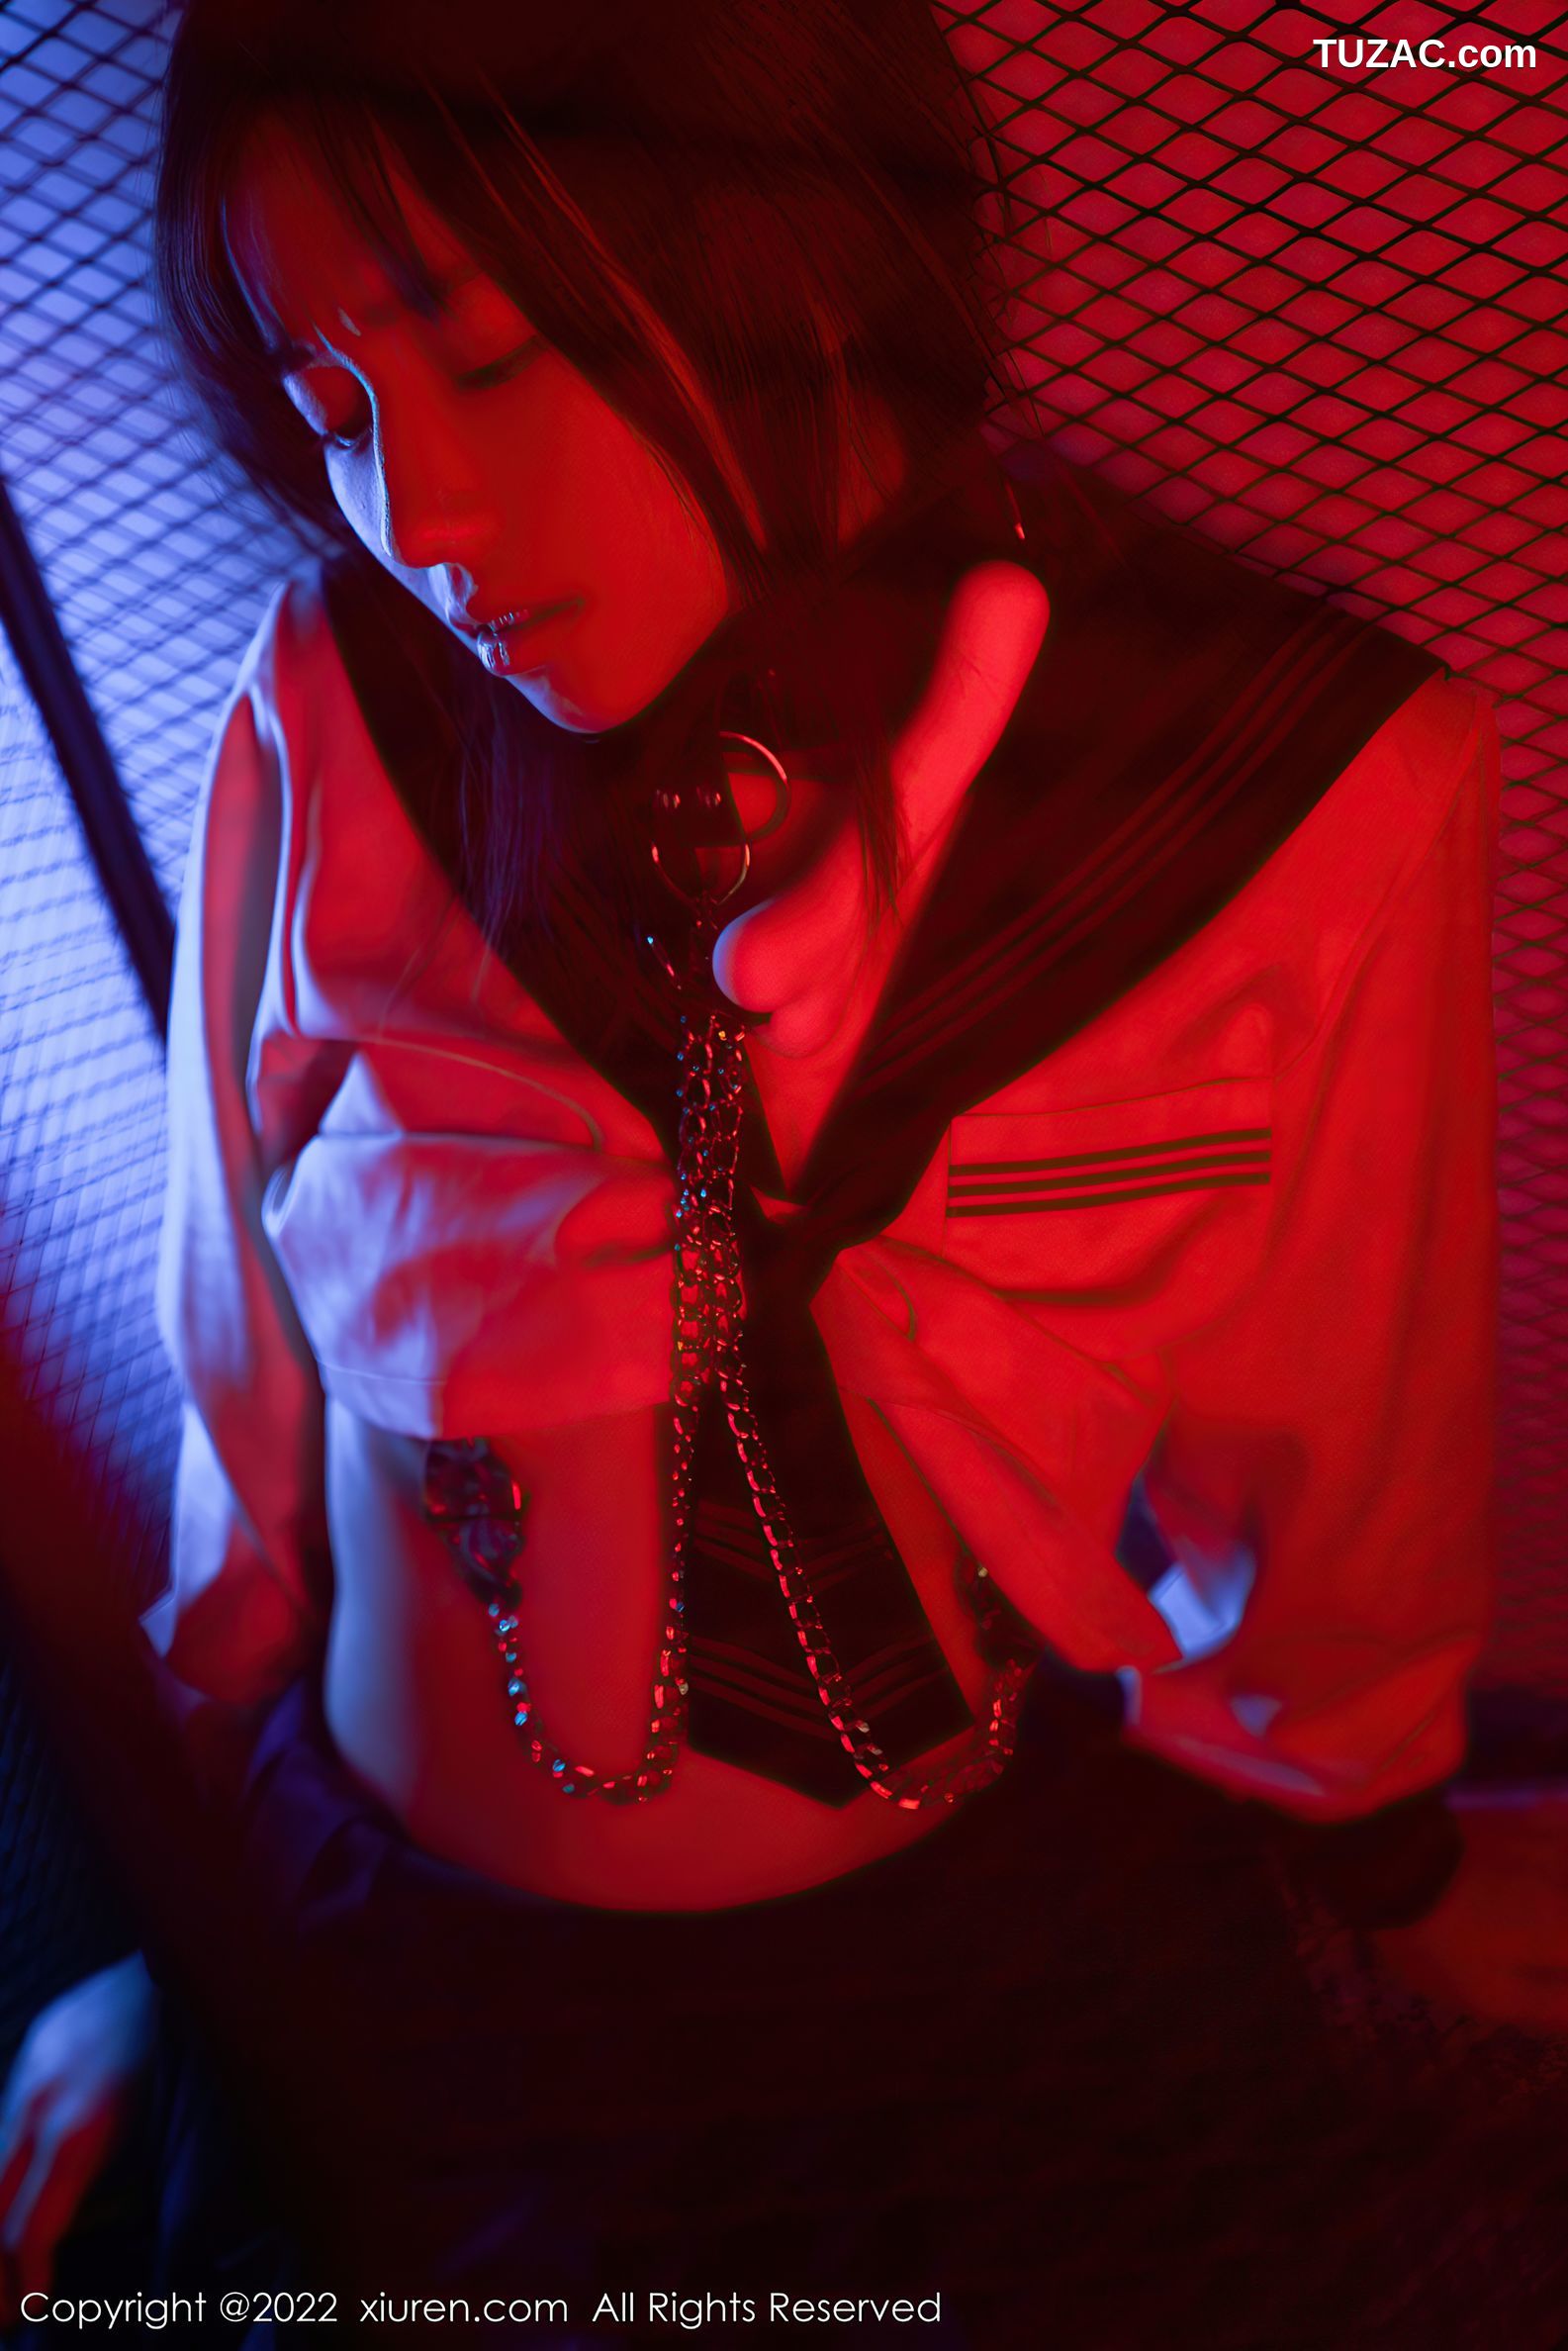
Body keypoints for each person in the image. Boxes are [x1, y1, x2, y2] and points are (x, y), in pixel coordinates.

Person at [4, 0, 1564, 2337]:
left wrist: (1379, 1838)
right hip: (404, 1962)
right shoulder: (341, 700)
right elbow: (241, 1308)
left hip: (978, 1984)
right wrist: (193, 1924)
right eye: (331, 413)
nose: (423, 520)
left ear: (784, 230)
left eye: (491, 350)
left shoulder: (1273, 791)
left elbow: (1350, 1421)